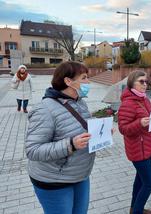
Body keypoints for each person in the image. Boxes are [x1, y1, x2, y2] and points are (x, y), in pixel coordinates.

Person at [25, 61, 98, 214]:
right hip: (53, 180)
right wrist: (71, 144)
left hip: (80, 174)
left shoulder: (80, 102)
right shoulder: (45, 109)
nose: (88, 82)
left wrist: (99, 133)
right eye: (84, 78)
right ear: (68, 81)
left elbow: (81, 128)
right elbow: (32, 150)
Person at [118, 71, 151, 214]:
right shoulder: (128, 103)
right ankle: (137, 212)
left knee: (140, 179)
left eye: (146, 81)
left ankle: (134, 207)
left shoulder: (144, 99)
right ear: (132, 83)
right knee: (149, 183)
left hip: (148, 147)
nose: (145, 84)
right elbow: (123, 129)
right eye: (141, 81)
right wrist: (139, 123)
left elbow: (150, 118)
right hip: (138, 150)